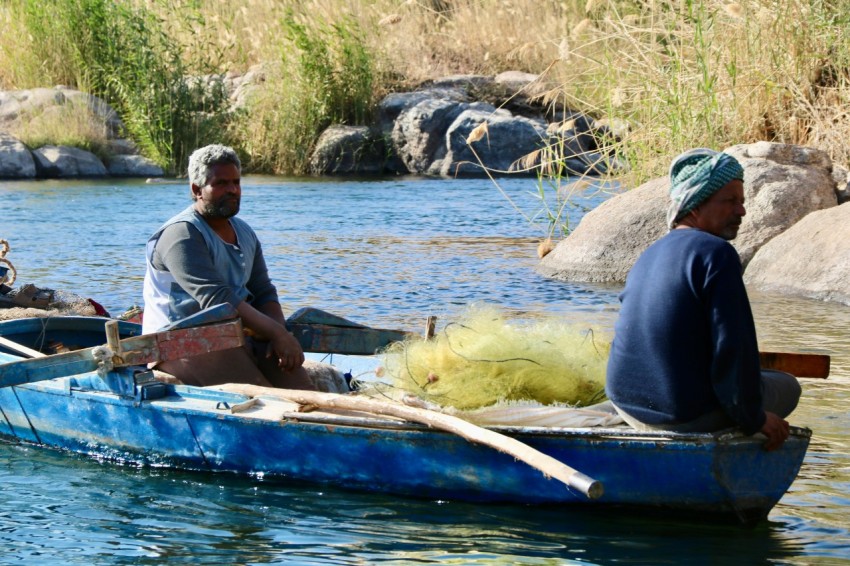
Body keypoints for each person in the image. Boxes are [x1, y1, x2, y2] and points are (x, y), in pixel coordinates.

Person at [604, 148, 801, 451]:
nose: (742, 212)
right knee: (787, 386)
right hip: (680, 415)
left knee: (759, 378)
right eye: (730, 201)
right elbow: (732, 347)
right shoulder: (717, 253)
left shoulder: (650, 252)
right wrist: (754, 419)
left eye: (742, 201)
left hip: (625, 404)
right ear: (695, 206)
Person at [142, 144, 317, 390]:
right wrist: (278, 335)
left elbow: (263, 290)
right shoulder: (181, 235)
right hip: (179, 342)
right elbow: (217, 299)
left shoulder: (244, 232)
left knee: (302, 390)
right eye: (221, 184)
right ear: (197, 190)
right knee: (261, 397)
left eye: (236, 182)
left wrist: (276, 331)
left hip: (233, 336)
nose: (232, 190)